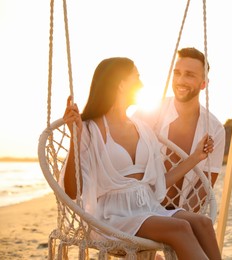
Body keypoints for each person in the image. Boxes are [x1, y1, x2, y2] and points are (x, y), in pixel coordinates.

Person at [61, 57, 221, 260]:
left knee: (203, 223)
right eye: (136, 78)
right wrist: (75, 138)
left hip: (148, 207)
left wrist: (196, 157)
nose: (142, 84)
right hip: (113, 216)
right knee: (180, 227)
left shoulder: (142, 129)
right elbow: (71, 191)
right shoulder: (90, 129)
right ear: (120, 84)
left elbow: (159, 183)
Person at [134, 47, 226, 210]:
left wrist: (186, 217)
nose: (181, 80)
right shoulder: (147, 115)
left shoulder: (215, 129)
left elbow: (205, 185)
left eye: (190, 75)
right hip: (139, 208)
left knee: (203, 226)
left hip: (179, 213)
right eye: (177, 73)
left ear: (203, 83)